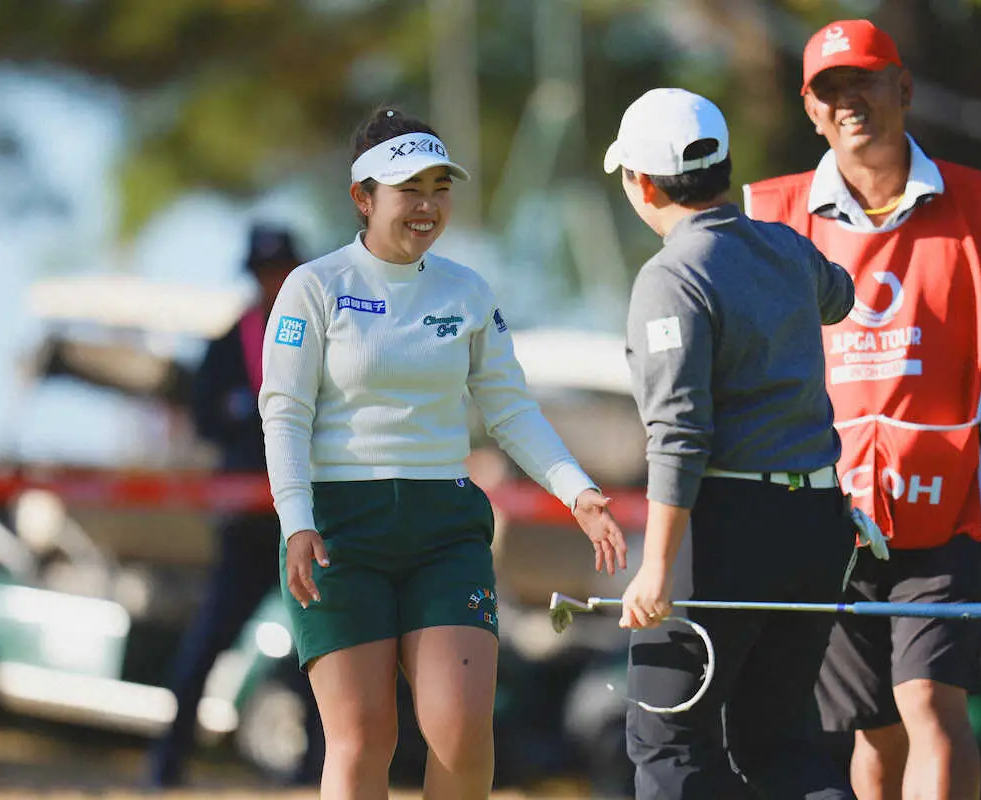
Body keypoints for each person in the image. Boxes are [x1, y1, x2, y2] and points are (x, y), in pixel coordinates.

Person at [744, 19, 981, 800]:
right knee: (876, 728)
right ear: (811, 111)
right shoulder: (772, 213)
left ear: (904, 88)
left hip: (951, 501)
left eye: (863, 80)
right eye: (830, 89)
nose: (848, 100)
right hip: (826, 510)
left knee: (929, 700)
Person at [259, 105, 627, 799]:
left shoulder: (467, 291)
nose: (427, 206)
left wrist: (577, 491)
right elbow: (283, 412)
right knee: (364, 738)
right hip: (337, 530)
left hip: (444, 529)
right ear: (363, 199)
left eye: (439, 187)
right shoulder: (314, 288)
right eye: (409, 190)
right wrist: (296, 520)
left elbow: (510, 407)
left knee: (461, 730)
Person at [605, 86, 862, 799]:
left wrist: (655, 567)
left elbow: (681, 434)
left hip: (726, 529)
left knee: (668, 739)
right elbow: (840, 294)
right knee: (777, 740)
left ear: (644, 182)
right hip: (816, 526)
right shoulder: (784, 245)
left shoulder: (671, 277)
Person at [147, 223, 324, 788]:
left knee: (319, 653)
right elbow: (205, 418)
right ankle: (168, 764)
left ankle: (316, 771)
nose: (272, 282)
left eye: (281, 272)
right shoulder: (229, 343)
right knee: (206, 646)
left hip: (307, 524)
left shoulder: (322, 332)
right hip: (246, 529)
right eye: (264, 273)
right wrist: (251, 415)